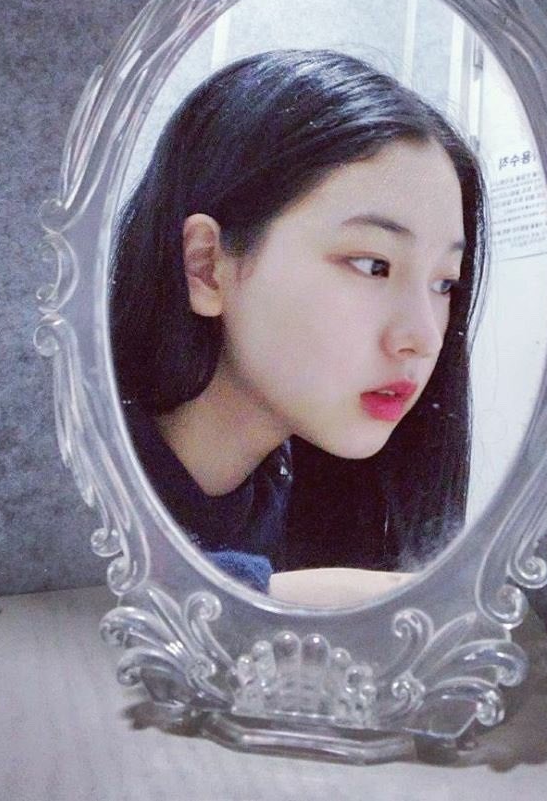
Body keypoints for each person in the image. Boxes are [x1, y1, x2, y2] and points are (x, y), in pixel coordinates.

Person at [110, 49, 486, 605]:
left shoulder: (308, 488)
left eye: (444, 282)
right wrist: (273, 595)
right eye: (373, 265)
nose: (424, 337)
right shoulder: (73, 484)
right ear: (207, 266)